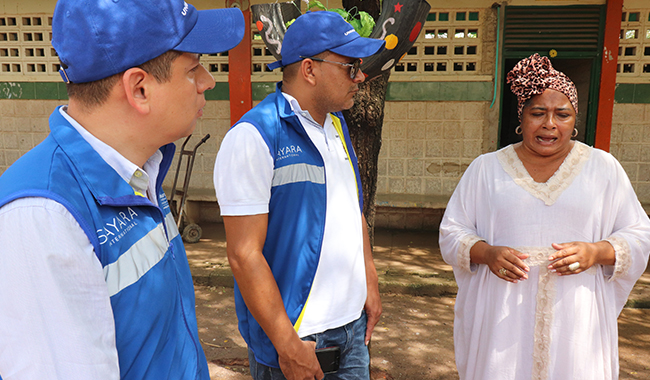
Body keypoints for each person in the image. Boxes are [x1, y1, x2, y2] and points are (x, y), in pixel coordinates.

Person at [0, 1, 244, 379]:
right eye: (194, 67)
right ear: (140, 89)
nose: (208, 81)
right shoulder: (43, 219)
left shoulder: (141, 168)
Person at [439, 53, 650, 380]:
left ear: (574, 119)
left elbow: (639, 235)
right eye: (538, 113)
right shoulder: (486, 169)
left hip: (576, 312)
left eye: (561, 114)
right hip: (502, 312)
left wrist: (596, 252)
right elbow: (452, 232)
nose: (549, 124)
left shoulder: (603, 169)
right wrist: (488, 253)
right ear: (521, 118)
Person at [213, 11, 385, 380]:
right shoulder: (255, 137)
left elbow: (352, 208)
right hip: (297, 340)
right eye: (350, 66)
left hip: (353, 332)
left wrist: (368, 279)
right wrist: (287, 344)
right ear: (309, 69)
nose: (360, 76)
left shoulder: (336, 125)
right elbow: (243, 255)